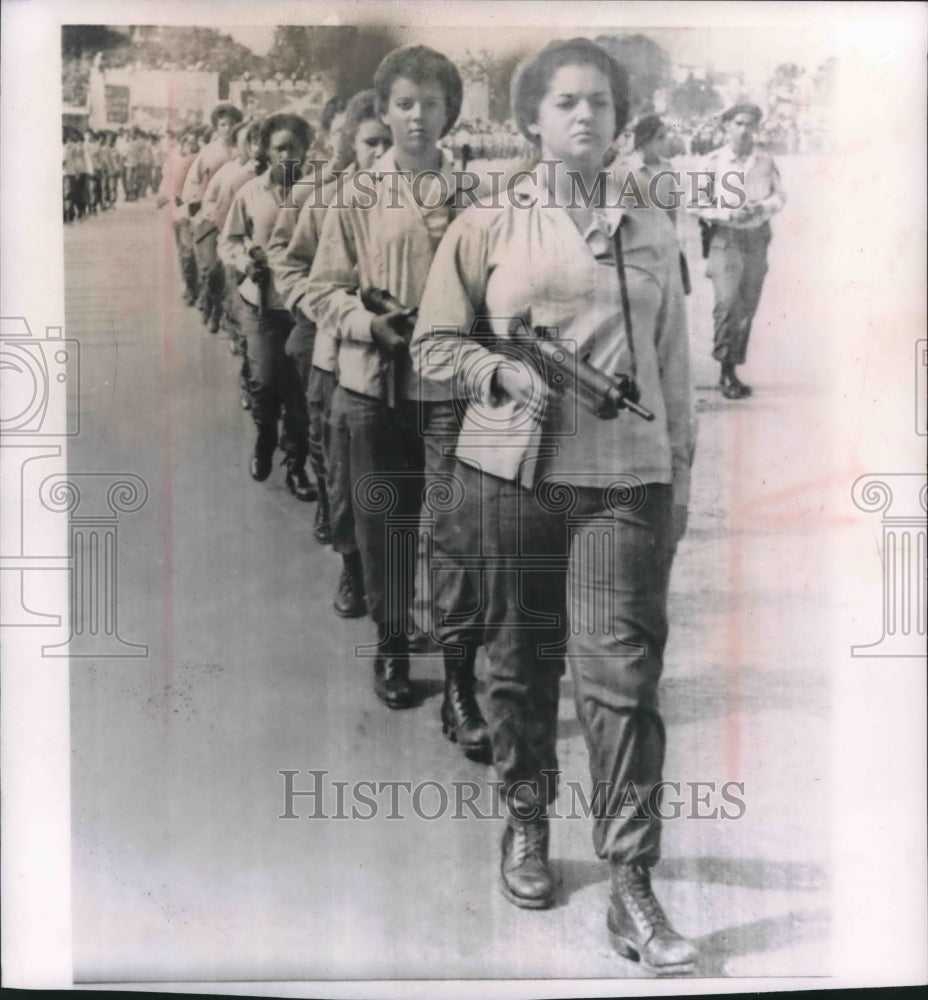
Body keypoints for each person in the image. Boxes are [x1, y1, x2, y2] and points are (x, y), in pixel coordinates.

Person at [410, 37, 698, 974]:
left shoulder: (653, 224)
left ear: (620, 121)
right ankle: (527, 826)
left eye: (602, 105)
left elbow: (676, 379)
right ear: (531, 118)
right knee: (516, 664)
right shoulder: (487, 223)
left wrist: (678, 486)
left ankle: (632, 882)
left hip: (625, 482)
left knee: (622, 680)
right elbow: (432, 345)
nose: (585, 117)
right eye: (566, 102)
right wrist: (493, 368)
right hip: (510, 477)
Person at [305, 45, 468, 712]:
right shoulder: (354, 193)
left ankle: (462, 678)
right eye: (405, 104)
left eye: (432, 104)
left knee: (457, 529)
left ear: (450, 113)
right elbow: (320, 291)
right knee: (385, 524)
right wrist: (372, 325)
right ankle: (393, 641)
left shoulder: (477, 198)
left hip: (450, 389)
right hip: (371, 385)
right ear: (383, 110)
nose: (418, 117)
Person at [269, 90, 392, 596]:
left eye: (389, 141)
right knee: (336, 463)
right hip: (328, 347)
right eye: (370, 141)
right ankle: (353, 566)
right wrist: (310, 303)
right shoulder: (322, 196)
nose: (380, 152)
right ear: (349, 141)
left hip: (399, 358)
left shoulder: (423, 195)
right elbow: (287, 259)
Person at [219, 112, 317, 503]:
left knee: (299, 392)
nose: (288, 155)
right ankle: (264, 439)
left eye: (295, 147)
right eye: (280, 148)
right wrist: (246, 260)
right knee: (263, 379)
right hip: (260, 303)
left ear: (306, 150)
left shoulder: (318, 193)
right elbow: (229, 242)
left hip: (302, 308)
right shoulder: (250, 193)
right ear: (265, 151)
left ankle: (295, 466)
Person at [689, 102, 785, 399]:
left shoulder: (765, 161)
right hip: (725, 239)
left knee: (746, 307)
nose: (744, 130)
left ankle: (732, 368)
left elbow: (780, 195)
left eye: (749, 124)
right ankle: (725, 371)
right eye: (738, 124)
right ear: (727, 127)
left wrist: (761, 207)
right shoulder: (712, 162)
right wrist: (724, 213)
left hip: (757, 239)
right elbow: (693, 202)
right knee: (727, 305)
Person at [183, 102, 245, 323]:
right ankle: (211, 301)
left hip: (235, 215)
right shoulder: (208, 153)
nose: (228, 129)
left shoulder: (243, 150)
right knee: (209, 268)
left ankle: (224, 311)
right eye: (223, 124)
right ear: (217, 127)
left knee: (228, 267)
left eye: (232, 124)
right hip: (209, 215)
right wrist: (195, 208)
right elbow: (193, 182)